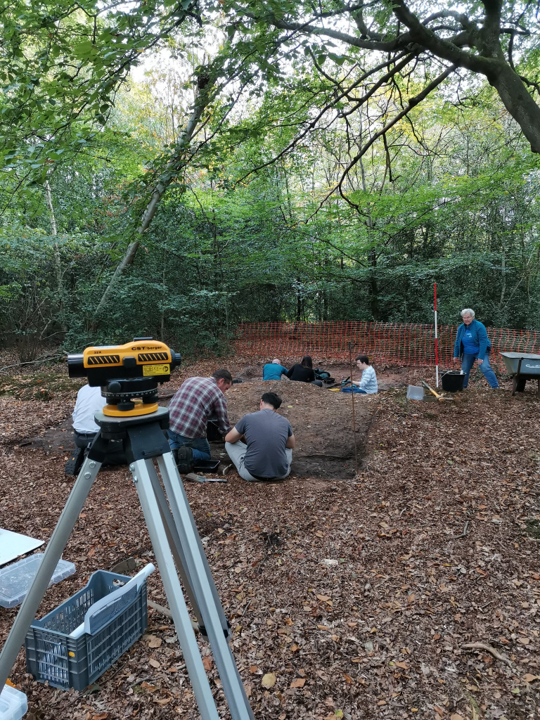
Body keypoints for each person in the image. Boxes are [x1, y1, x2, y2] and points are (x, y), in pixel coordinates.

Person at [224, 392, 295, 481]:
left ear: (261, 402)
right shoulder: (285, 421)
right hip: (280, 474)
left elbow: (228, 439)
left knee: (228, 444)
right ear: (276, 409)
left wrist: (242, 433)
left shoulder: (248, 418)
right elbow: (291, 445)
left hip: (251, 474)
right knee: (288, 449)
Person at [168, 369, 233, 464]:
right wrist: (232, 436)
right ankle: (184, 455)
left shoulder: (191, 379)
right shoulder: (218, 394)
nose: (224, 392)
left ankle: (173, 451)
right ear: (221, 381)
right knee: (205, 454)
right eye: (226, 388)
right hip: (188, 432)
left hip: (169, 425)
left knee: (176, 435)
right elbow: (224, 426)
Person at [452, 308, 499, 389]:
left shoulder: (479, 326)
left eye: (468, 317)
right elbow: (457, 342)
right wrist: (455, 355)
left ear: (473, 317)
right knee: (464, 370)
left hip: (480, 351)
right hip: (467, 352)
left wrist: (480, 357)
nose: (466, 319)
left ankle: (495, 387)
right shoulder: (461, 328)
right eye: (464, 317)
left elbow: (483, 342)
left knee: (485, 367)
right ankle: (463, 387)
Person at [72, 383, 106, 448]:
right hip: (98, 438)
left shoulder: (83, 389)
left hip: (78, 437)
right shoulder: (110, 391)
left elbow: (74, 416)